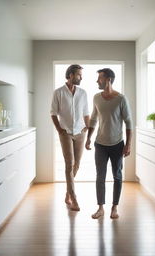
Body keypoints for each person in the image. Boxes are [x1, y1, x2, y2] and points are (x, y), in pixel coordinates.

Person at [85, 68, 132, 219]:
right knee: (100, 176)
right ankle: (100, 208)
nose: (97, 81)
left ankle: (115, 207)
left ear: (108, 80)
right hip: (100, 144)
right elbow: (93, 119)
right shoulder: (96, 98)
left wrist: (128, 144)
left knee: (117, 176)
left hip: (117, 144)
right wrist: (88, 138)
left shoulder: (121, 99)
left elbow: (129, 122)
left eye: (100, 78)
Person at [51, 64, 89, 211]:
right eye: (79, 75)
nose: (81, 77)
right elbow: (53, 113)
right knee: (69, 164)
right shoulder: (58, 92)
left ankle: (67, 192)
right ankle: (73, 198)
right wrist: (59, 129)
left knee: (77, 165)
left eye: (81, 75)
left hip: (80, 132)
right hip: (65, 132)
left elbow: (86, 112)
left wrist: (87, 127)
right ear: (71, 75)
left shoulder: (83, 93)